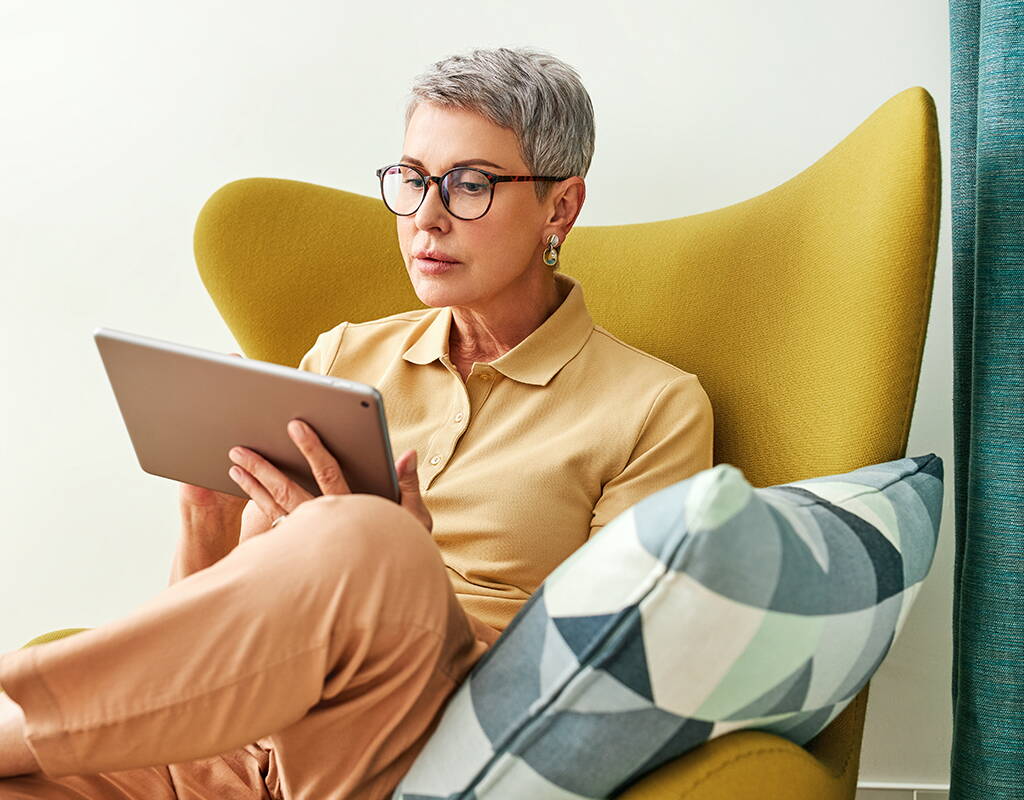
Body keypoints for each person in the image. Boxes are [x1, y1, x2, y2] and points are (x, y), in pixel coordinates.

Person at [0, 46, 713, 799]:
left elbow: (610, 665)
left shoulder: (654, 407)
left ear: (560, 207)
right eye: (411, 180)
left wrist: (387, 568)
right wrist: (203, 524)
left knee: (367, 536)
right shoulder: (346, 354)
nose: (426, 218)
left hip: (431, 736)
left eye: (470, 185)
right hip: (242, 742)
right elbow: (232, 633)